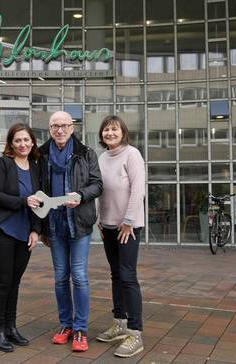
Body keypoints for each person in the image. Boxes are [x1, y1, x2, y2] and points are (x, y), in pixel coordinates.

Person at [38, 111, 103, 352]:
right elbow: (38, 190)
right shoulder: (41, 155)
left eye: (64, 125)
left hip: (79, 224)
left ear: (72, 127)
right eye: (55, 126)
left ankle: (80, 330)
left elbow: (98, 184)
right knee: (60, 277)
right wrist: (41, 226)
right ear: (50, 128)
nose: (60, 130)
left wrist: (81, 195)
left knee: (80, 276)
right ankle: (65, 325)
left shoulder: (86, 154)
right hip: (54, 226)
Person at [0, 123, 42, 352]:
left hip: (24, 232)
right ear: (11, 143)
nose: (23, 144)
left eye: (26, 140)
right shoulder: (3, 164)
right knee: (2, 282)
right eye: (18, 140)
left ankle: (11, 327)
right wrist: (22, 202)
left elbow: (41, 201)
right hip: (2, 231)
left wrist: (36, 230)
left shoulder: (36, 168)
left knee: (15, 283)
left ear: (32, 143)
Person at [95, 115, 145, 358]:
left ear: (122, 132)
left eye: (114, 129)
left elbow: (138, 189)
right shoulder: (102, 157)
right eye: (106, 130)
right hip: (108, 225)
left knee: (128, 276)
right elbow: (98, 191)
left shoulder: (132, 154)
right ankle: (120, 323)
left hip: (129, 227)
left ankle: (135, 333)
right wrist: (98, 219)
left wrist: (128, 222)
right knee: (115, 274)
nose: (110, 133)